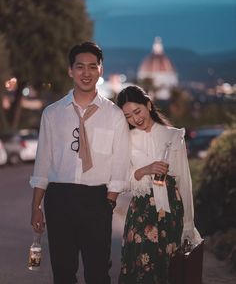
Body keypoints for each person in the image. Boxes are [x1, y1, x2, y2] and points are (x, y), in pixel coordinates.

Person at [30, 41, 130, 284]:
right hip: (59, 198)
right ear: (70, 71)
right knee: (63, 273)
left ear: (101, 70)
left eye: (92, 67)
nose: (86, 73)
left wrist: (109, 202)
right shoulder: (52, 114)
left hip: (97, 200)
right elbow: (43, 161)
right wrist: (36, 206)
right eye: (80, 67)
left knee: (97, 273)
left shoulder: (114, 115)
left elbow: (120, 164)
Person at [116, 85, 202, 284]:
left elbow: (184, 183)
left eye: (137, 111)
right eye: (128, 116)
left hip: (172, 212)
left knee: (171, 270)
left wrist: (188, 225)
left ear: (148, 104)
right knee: (140, 269)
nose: (135, 119)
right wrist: (145, 170)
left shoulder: (173, 136)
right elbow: (122, 181)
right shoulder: (126, 140)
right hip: (141, 213)